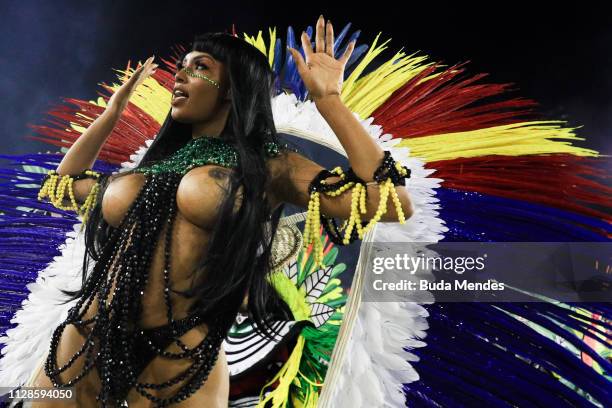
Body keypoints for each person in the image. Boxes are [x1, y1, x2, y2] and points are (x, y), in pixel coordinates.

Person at [27, 14, 413, 407]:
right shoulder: (151, 168)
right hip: (84, 338)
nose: (180, 76)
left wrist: (329, 101)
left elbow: (392, 201)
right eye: (181, 67)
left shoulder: (273, 166)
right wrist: (113, 111)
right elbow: (61, 186)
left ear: (233, 88)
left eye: (200, 68)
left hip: (182, 358)